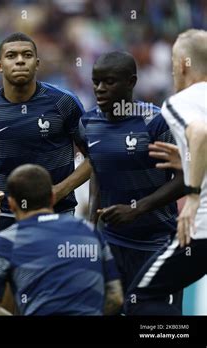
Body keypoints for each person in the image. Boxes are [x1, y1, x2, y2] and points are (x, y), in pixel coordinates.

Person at [77, 51, 185, 314]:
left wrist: (138, 209)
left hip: (158, 245)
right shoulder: (88, 124)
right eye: (96, 82)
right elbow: (97, 172)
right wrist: (92, 227)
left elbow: (185, 178)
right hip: (112, 245)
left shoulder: (157, 122)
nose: (100, 89)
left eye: (109, 82)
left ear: (131, 82)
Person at [0, 32, 90, 262]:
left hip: (57, 215)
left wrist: (60, 190)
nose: (19, 60)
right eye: (11, 55)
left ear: (37, 63)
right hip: (6, 216)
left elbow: (93, 158)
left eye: (27, 55)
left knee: (54, 293)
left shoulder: (64, 102)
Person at [126, 29, 207, 315]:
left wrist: (194, 196)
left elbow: (200, 132)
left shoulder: (178, 102)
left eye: (173, 60)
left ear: (183, 63)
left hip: (201, 230)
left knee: (140, 299)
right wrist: (186, 160)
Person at [0, 164, 123, 315]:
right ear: (52, 198)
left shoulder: (6, 241)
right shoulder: (91, 232)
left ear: (11, 204)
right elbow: (116, 297)